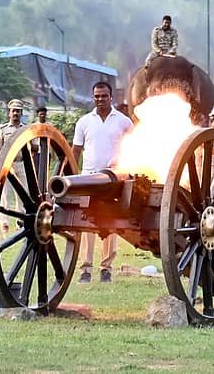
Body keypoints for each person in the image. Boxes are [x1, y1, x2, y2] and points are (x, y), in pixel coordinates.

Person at [71, 82, 133, 284]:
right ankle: (85, 269)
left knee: (110, 223)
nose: (100, 100)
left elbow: (134, 146)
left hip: (113, 179)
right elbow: (76, 151)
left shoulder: (123, 122)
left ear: (111, 97)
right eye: (97, 96)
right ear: (93, 97)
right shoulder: (84, 122)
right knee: (85, 223)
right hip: (88, 177)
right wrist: (72, 176)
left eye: (104, 96)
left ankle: (106, 268)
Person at [0, 99, 27, 233]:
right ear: (9, 113)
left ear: (21, 113)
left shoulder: (25, 129)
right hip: (7, 165)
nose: (16, 114)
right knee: (5, 195)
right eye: (13, 111)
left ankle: (22, 222)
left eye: (18, 111)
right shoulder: (2, 129)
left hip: (21, 163)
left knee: (23, 195)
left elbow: (35, 148)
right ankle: (4, 224)